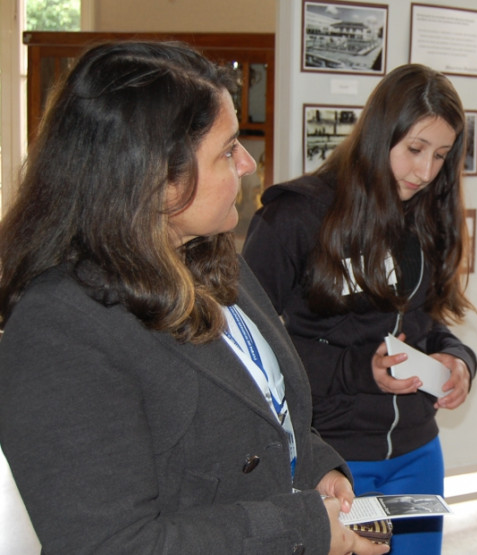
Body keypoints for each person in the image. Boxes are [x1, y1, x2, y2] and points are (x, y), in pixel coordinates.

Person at [0, 41, 388, 555]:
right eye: (228, 150)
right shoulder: (59, 329)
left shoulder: (210, 255)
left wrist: (315, 468)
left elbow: (263, 408)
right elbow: (112, 545)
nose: (248, 163)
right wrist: (301, 526)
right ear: (156, 178)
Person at [243, 63, 477, 554]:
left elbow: (425, 323)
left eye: (441, 155)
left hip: (418, 451)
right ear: (378, 133)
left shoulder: (427, 213)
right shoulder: (295, 215)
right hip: (334, 459)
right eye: (414, 149)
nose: (425, 172)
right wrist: (357, 368)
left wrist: (458, 359)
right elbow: (247, 352)